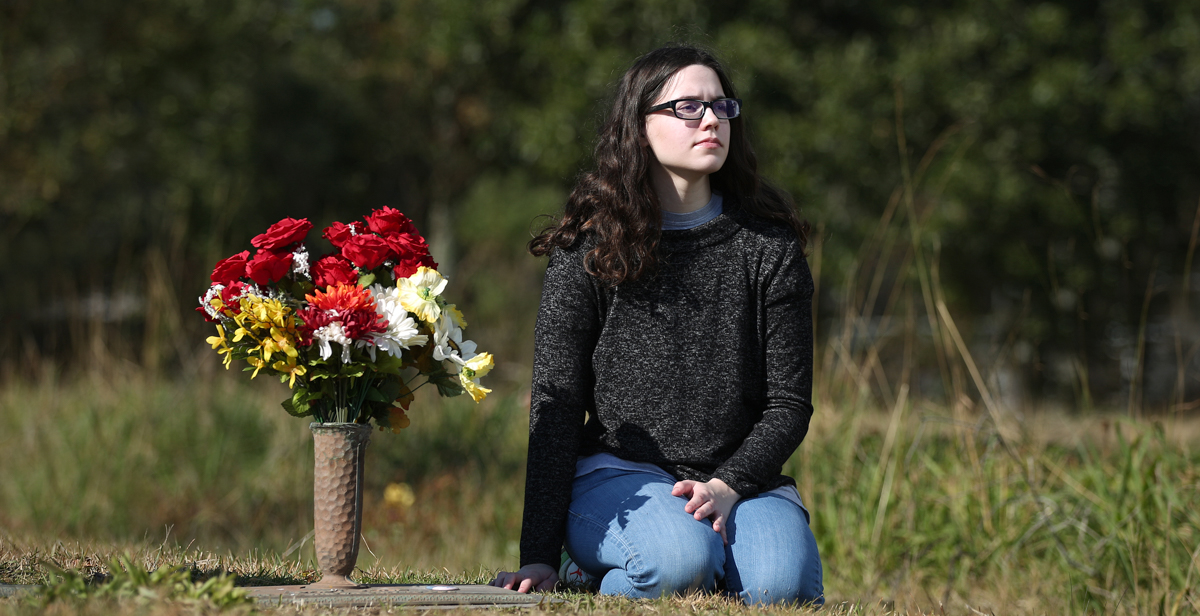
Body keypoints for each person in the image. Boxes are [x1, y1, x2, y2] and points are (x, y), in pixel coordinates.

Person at [489, 44, 824, 607]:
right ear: (640, 126)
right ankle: (589, 576)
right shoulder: (588, 248)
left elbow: (789, 403)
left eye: (722, 106)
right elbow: (557, 401)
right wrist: (538, 553)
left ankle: (711, 564)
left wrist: (729, 485)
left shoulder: (769, 245)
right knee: (679, 561)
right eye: (688, 107)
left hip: (741, 482)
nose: (713, 119)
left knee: (779, 588)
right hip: (618, 478)